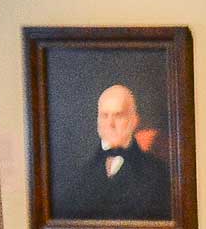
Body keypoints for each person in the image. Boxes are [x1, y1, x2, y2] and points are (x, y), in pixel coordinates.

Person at [59, 81, 173, 219]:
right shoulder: (77, 172)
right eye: (104, 115)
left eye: (118, 115)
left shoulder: (158, 173)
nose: (110, 124)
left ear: (134, 121)